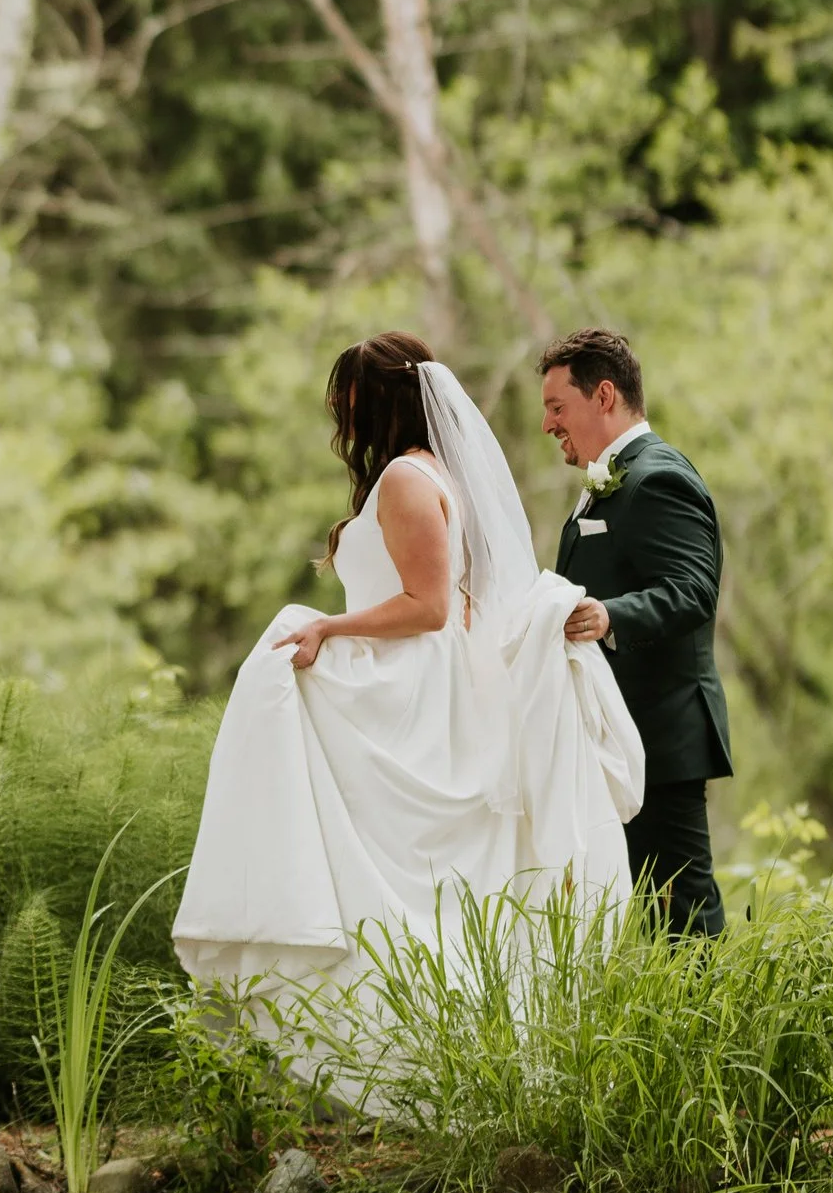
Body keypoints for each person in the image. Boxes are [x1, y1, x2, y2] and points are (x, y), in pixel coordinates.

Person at [172, 331, 642, 1050]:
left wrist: (331, 627)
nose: (339, 417)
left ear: (375, 400)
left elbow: (429, 607)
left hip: (412, 685)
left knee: (286, 671)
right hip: (416, 676)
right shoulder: (426, 474)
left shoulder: (405, 480)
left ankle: (311, 963)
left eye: (345, 401)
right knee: (382, 862)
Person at [541, 325, 731, 940]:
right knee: (649, 919)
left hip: (662, 734)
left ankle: (715, 1034)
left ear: (602, 397)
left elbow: (694, 589)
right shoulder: (608, 481)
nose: (548, 424)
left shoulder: (657, 477)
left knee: (685, 919)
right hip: (623, 737)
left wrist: (609, 615)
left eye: (556, 407)